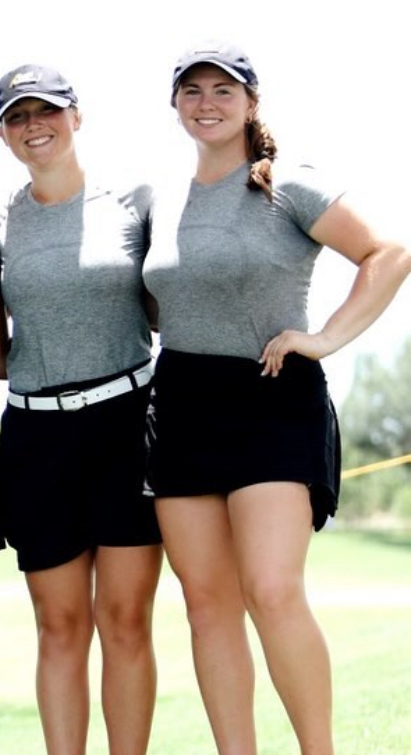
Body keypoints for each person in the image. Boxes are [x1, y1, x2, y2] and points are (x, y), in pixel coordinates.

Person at [143, 42, 411, 754]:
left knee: (269, 588)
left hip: (268, 395)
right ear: (174, 105)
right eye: (191, 91)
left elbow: (388, 255)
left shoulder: (287, 184)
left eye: (221, 91)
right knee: (206, 604)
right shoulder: (162, 200)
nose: (206, 103)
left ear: (250, 103)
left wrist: (323, 337)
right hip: (180, 404)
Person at [0, 65, 164, 755]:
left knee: (124, 621)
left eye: (46, 111)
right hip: (36, 435)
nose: (35, 126)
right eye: (18, 116)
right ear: (2, 132)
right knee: (58, 626)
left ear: (76, 116)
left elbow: (162, 306)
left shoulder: (132, 202)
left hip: (124, 427)